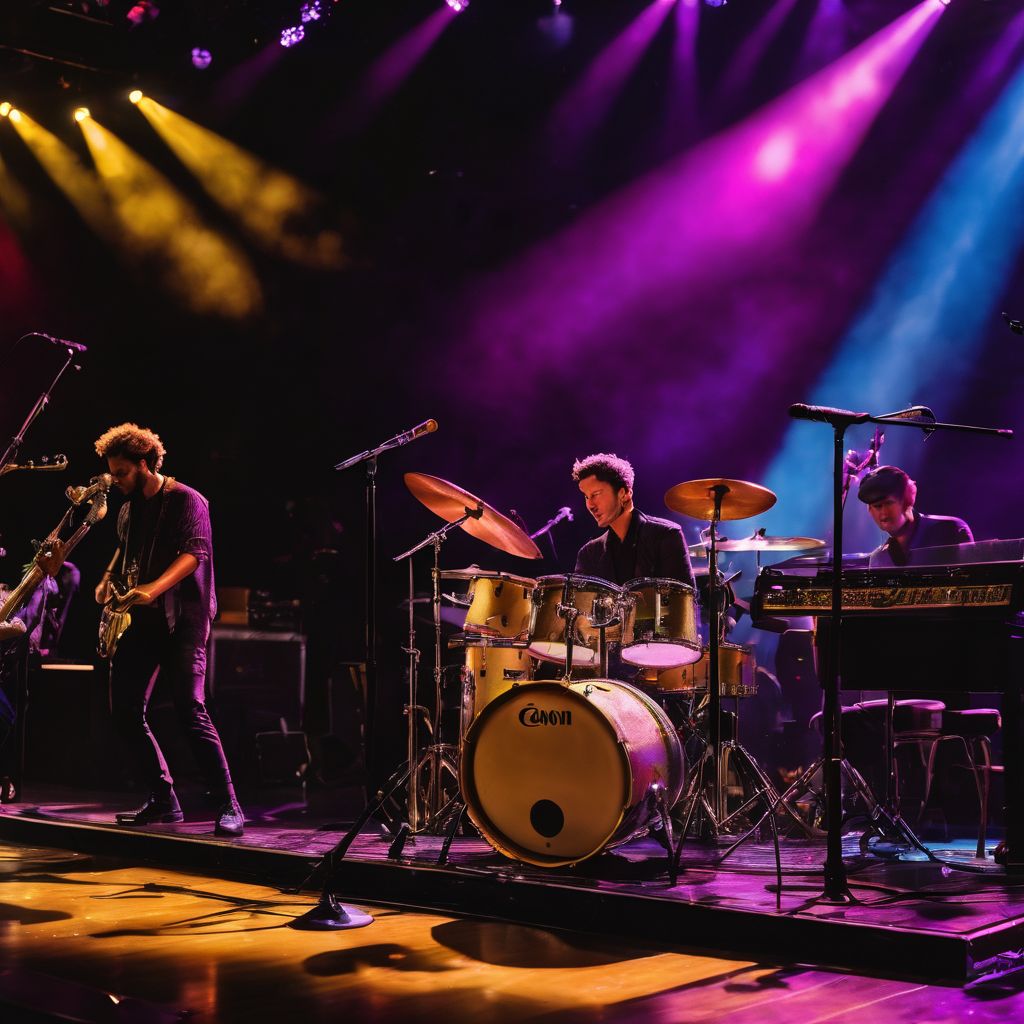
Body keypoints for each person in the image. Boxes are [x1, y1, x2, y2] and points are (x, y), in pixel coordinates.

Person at [94, 423, 243, 836]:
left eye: (122, 471)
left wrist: (150, 589)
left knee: (190, 709)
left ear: (144, 464)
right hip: (143, 621)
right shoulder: (129, 508)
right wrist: (108, 578)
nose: (117, 480)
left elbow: (195, 555)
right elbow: (125, 548)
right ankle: (163, 798)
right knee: (124, 710)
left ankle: (229, 803)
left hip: (185, 620)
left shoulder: (187, 500)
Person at [572, 452, 694, 586]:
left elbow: (685, 602)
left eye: (596, 494)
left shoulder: (666, 535)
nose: (590, 505)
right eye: (586, 497)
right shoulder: (589, 554)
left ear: (624, 494)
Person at [858, 465, 973, 567]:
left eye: (888, 503)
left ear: (907, 500)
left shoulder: (949, 529)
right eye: (877, 506)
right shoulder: (879, 559)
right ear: (870, 510)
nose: (883, 512)